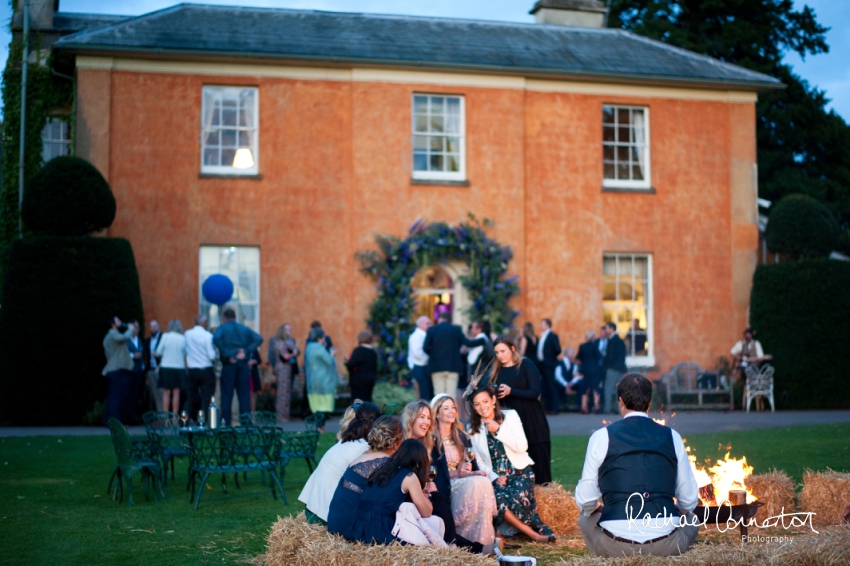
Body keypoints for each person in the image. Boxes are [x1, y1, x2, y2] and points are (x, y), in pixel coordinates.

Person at [575, 374, 700, 557]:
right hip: (665, 544)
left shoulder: (601, 436)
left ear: (620, 401)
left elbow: (585, 499)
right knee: (693, 519)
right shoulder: (672, 436)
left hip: (615, 545)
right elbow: (689, 501)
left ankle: (604, 558)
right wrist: (675, 511)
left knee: (585, 519)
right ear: (649, 403)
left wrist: (598, 509)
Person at [468, 386, 555, 543]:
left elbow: (522, 446)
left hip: (520, 471)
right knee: (496, 496)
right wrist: (494, 478)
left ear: (494, 400)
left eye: (485, 401)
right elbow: (479, 461)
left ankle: (529, 528)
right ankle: (532, 533)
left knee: (516, 498)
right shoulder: (473, 429)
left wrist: (498, 430)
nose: (482, 407)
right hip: (497, 477)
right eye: (477, 404)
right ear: (473, 407)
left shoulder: (511, 416)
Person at [430, 394, 498, 552]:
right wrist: (457, 473)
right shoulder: (431, 439)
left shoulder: (462, 436)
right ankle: (463, 539)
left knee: (482, 480)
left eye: (453, 407)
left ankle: (482, 541)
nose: (451, 411)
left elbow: (472, 464)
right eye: (445, 408)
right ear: (437, 414)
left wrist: (472, 472)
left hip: (464, 480)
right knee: (474, 483)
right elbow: (433, 473)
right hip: (445, 484)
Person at [346, 439, 444, 546]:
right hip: (380, 530)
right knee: (435, 521)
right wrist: (426, 495)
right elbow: (426, 512)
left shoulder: (383, 469)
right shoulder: (409, 476)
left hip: (359, 526)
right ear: (420, 460)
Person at [300, 402, 381, 524]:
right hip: (324, 514)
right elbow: (374, 484)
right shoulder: (361, 448)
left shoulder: (347, 440)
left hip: (313, 507)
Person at [327, 414, 404, 537]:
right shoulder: (386, 464)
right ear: (397, 441)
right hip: (352, 528)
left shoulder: (361, 457)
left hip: (335, 522)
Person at [490, 335, 552, 484]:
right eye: (497, 352)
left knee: (538, 456)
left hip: (531, 418)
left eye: (503, 351)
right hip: (509, 420)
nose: (500, 355)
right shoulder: (495, 371)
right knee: (514, 457)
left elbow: (535, 392)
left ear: (512, 349)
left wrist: (511, 391)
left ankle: (543, 491)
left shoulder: (526, 364)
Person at [213, 308, 263, 425]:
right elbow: (259, 338)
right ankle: (246, 424)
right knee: (244, 395)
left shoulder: (223, 328)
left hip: (229, 364)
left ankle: (225, 424)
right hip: (242, 365)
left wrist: (227, 354)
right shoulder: (244, 329)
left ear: (224, 318)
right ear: (235, 317)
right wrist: (246, 351)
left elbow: (215, 338)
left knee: (226, 395)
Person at [423, 311, 485, 397]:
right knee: (451, 396)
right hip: (453, 367)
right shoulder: (456, 329)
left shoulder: (432, 330)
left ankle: (438, 410)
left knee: (438, 396)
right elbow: (468, 343)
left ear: (440, 319)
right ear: (450, 320)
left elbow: (425, 347)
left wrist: (434, 354)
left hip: (436, 367)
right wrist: (483, 340)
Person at [102, 316, 137, 425]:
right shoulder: (113, 334)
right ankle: (115, 423)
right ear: (113, 324)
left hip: (115, 370)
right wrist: (131, 328)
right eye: (118, 321)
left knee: (114, 396)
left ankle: (111, 421)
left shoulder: (112, 335)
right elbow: (123, 337)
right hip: (116, 370)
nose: (120, 322)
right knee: (116, 397)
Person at [184, 314, 217, 423]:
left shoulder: (187, 334)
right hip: (205, 370)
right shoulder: (207, 336)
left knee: (190, 397)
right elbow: (211, 355)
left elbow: (186, 350)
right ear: (204, 323)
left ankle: (184, 420)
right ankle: (201, 422)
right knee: (205, 398)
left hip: (192, 370)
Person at [464, 320, 494, 422]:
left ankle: (477, 422)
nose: (471, 330)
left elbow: (471, 360)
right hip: (485, 374)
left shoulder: (480, 340)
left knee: (476, 400)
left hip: (479, 375)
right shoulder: (486, 339)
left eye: (473, 327)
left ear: (479, 329)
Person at [155, 319, 187, 415]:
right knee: (176, 393)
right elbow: (185, 352)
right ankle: (174, 418)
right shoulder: (182, 338)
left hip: (166, 367)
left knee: (166, 393)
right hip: (178, 367)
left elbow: (158, 352)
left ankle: (165, 417)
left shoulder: (165, 336)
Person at [304, 327, 337, 415]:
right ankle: (321, 428)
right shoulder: (319, 349)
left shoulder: (309, 347)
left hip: (312, 381)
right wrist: (332, 354)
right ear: (320, 338)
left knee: (316, 407)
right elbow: (329, 361)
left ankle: (319, 428)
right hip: (323, 382)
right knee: (323, 408)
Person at [536, 318, 562, 415]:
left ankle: (554, 408)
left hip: (549, 364)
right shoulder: (542, 335)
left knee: (551, 386)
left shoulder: (552, 336)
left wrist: (550, 357)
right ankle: (548, 407)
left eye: (542, 324)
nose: (540, 326)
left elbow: (558, 349)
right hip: (542, 364)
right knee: (546, 386)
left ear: (547, 325)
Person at [273, 324, 298, 423]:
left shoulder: (285, 342)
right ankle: (280, 416)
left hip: (286, 369)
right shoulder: (279, 343)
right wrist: (293, 354)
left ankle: (285, 416)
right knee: (282, 394)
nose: (289, 333)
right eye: (287, 331)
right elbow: (285, 357)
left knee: (286, 393)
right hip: (283, 369)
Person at [345, 331, 378, 402]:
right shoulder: (373, 352)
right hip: (370, 379)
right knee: (367, 399)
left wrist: (346, 363)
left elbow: (352, 364)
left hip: (358, 381)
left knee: (357, 401)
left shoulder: (358, 350)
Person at [602, 322, 627, 415]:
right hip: (621, 368)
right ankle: (619, 409)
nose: (606, 330)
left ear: (611, 329)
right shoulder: (620, 341)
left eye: (607, 328)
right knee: (618, 390)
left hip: (613, 368)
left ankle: (607, 409)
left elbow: (610, 356)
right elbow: (624, 355)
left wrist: (605, 364)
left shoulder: (612, 341)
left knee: (608, 389)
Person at [575, 331, 603, 414]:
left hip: (585, 370)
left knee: (585, 389)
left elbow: (578, 357)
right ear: (592, 337)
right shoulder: (595, 346)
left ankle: (584, 407)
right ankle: (596, 406)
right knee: (595, 388)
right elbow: (599, 357)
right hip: (594, 370)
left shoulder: (582, 346)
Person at [126, 319, 146, 423]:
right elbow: (123, 353)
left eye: (138, 327)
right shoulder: (126, 340)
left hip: (139, 371)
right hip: (130, 371)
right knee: (129, 394)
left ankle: (135, 417)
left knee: (137, 394)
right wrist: (133, 355)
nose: (138, 329)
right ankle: (129, 418)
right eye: (136, 327)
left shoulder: (138, 340)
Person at [408, 316, 432, 401]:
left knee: (427, 393)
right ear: (420, 324)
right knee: (424, 394)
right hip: (420, 367)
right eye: (427, 323)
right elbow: (418, 353)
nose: (430, 325)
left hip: (424, 367)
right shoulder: (415, 337)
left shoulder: (424, 335)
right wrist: (431, 359)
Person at [144, 319, 164, 411]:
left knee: (163, 393)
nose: (153, 329)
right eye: (151, 327)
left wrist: (160, 366)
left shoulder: (163, 338)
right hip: (151, 369)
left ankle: (165, 415)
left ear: (158, 327)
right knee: (155, 395)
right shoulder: (147, 341)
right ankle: (160, 416)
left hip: (161, 369)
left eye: (154, 326)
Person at [554, 348, 580, 412]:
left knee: (581, 386)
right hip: (562, 383)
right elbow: (558, 376)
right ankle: (563, 404)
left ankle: (577, 405)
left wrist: (571, 383)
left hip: (570, 383)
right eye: (572, 353)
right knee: (557, 387)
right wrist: (566, 384)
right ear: (567, 354)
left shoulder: (573, 365)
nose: (573, 355)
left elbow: (576, 376)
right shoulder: (559, 363)